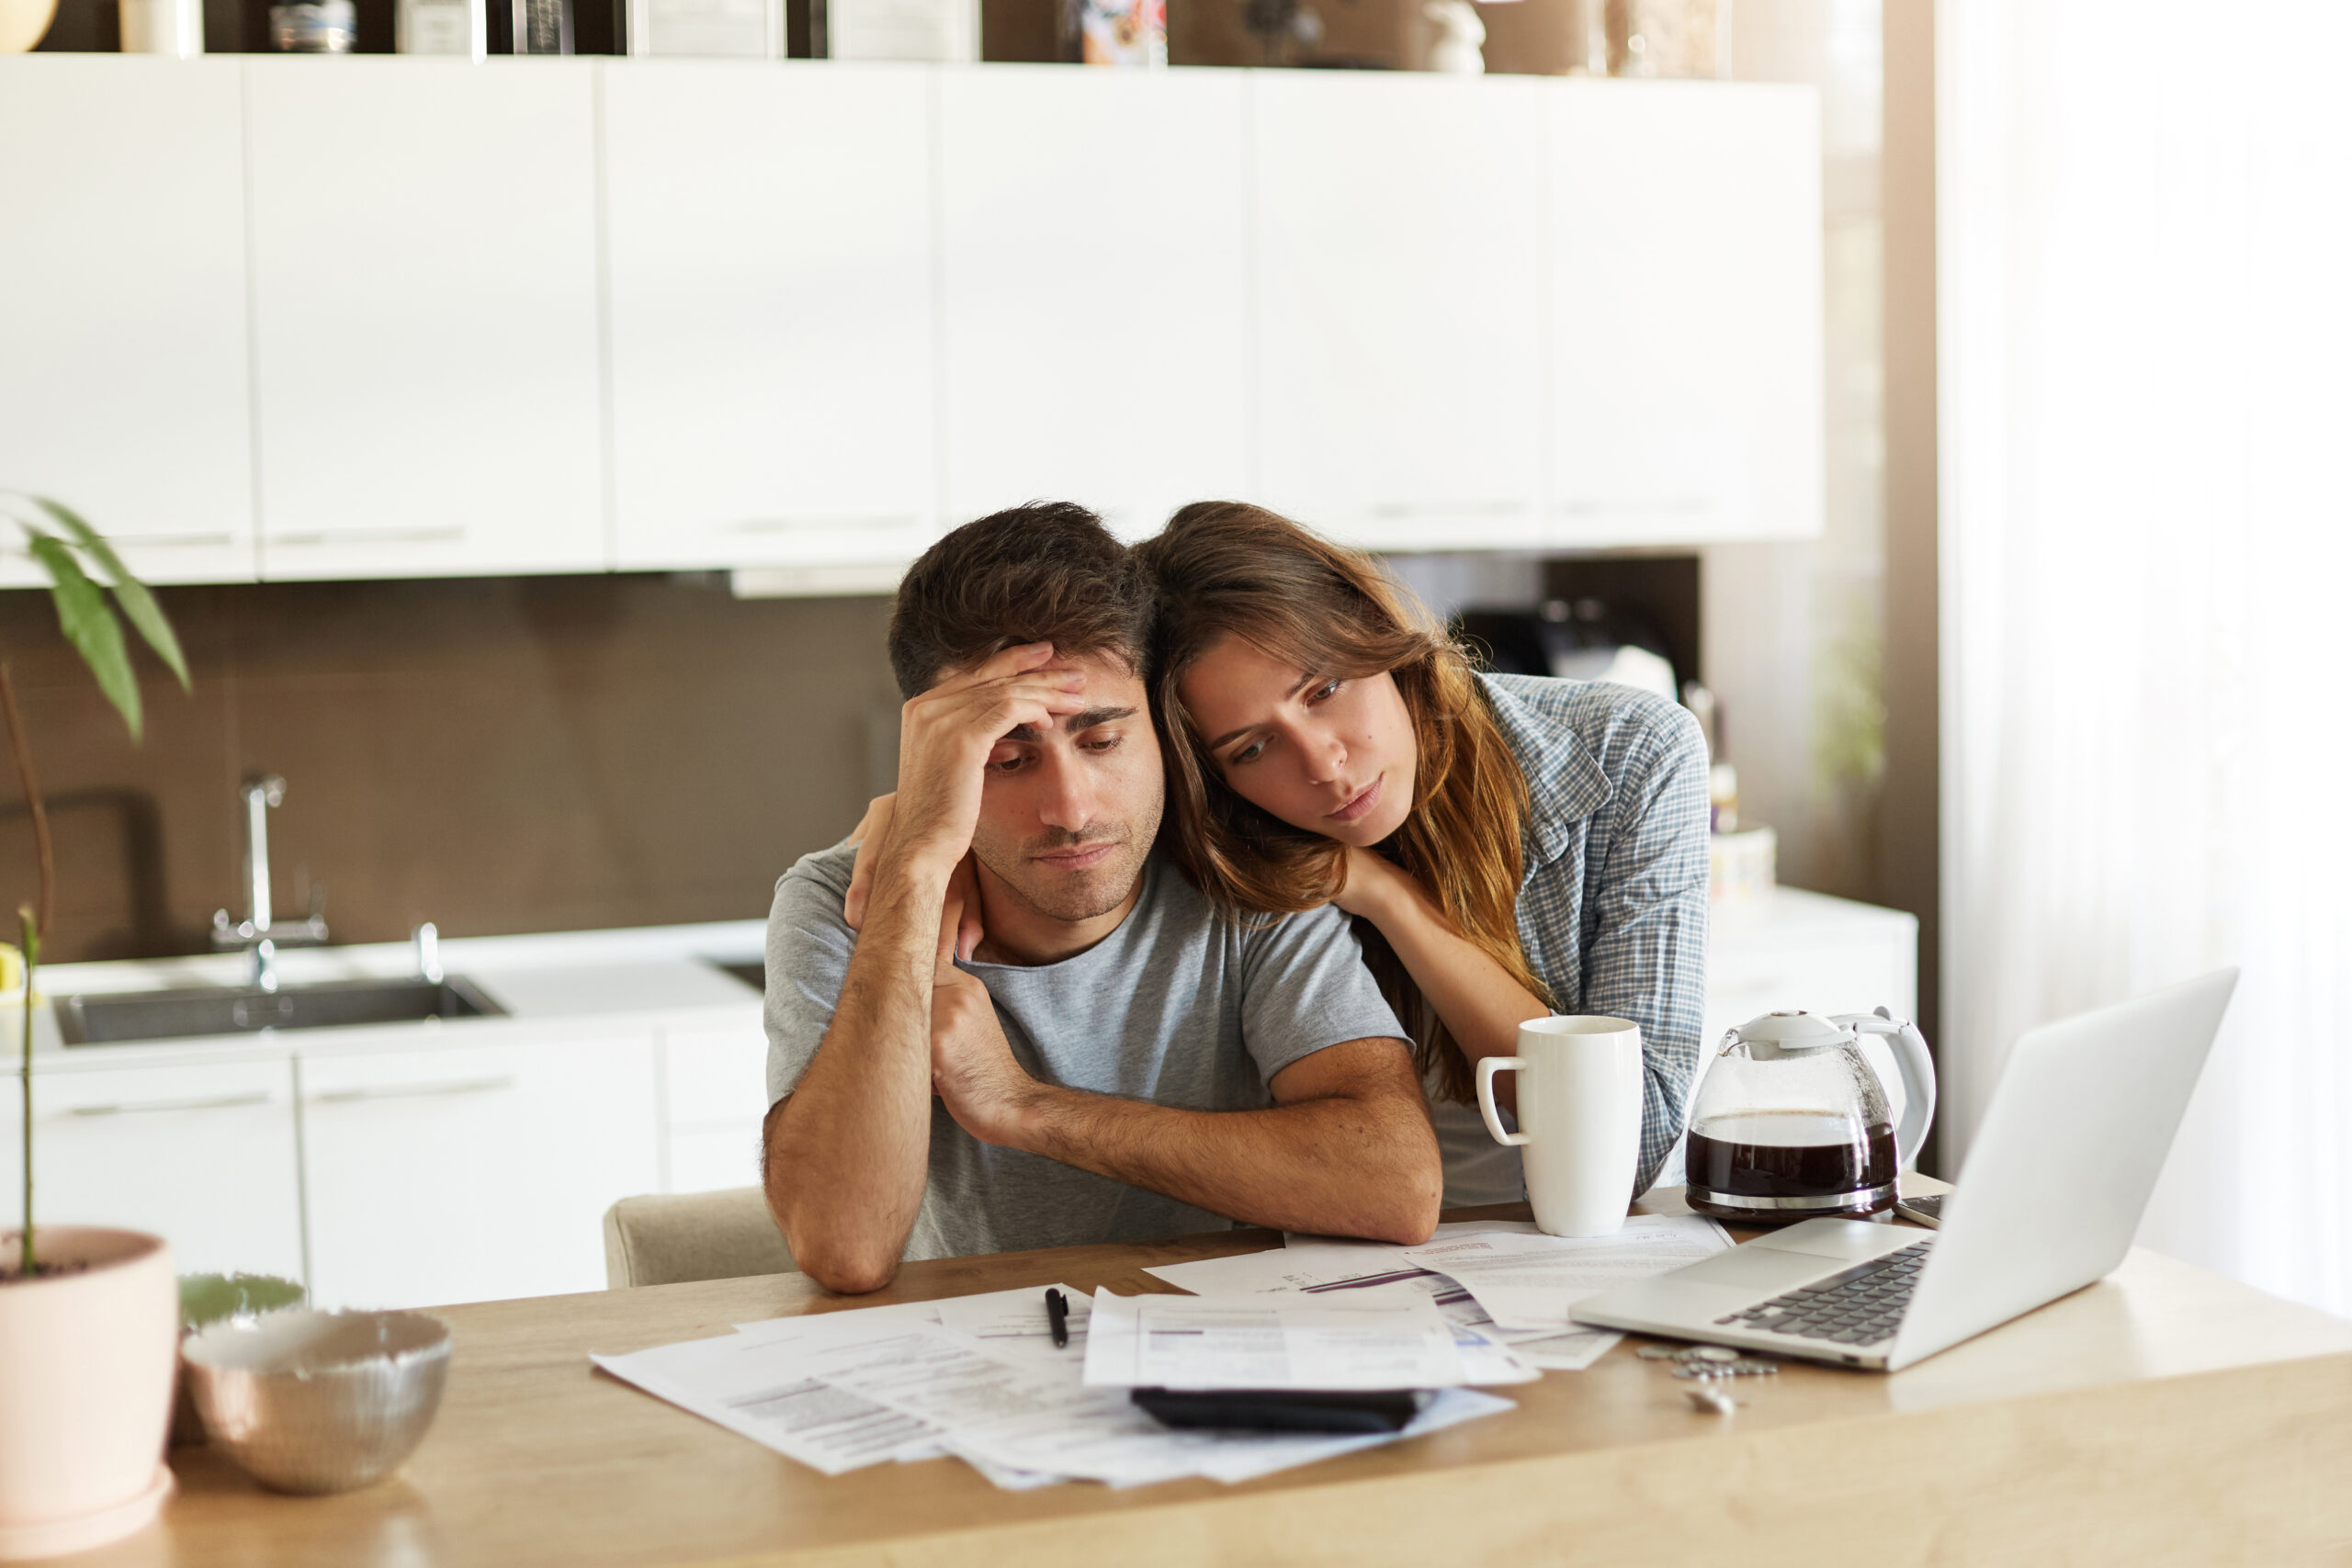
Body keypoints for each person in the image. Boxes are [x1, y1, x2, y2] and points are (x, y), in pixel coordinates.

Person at [763, 502, 1442, 1295]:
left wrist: (1026, 1107)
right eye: (1007, 759)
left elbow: (1398, 1182)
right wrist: (913, 867)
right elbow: (845, 1247)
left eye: (1102, 739)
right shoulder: (844, 898)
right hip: (971, 1372)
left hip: (1230, 1357)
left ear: (1161, 723)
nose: (1072, 808)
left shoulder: (1241, 871)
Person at [1130, 502, 1710, 1208]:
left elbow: (1630, 1142)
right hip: (1327, 1263)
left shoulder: (1634, 754)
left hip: (1554, 1252)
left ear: (1377, 634)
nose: (1323, 763)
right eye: (1252, 747)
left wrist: (1388, 896)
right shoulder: (1221, 837)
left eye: (1324, 689)